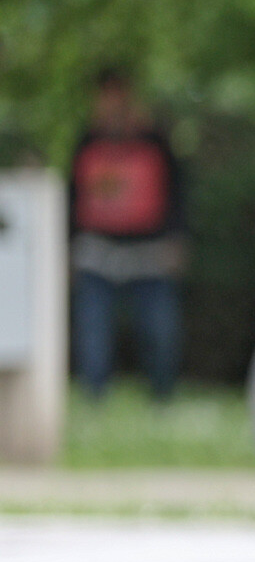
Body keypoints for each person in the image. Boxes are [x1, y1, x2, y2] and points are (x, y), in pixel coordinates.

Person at [67, 68, 187, 401]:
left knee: (159, 332)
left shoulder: (156, 141)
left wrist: (178, 239)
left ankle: (163, 398)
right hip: (97, 252)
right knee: (93, 334)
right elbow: (73, 198)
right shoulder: (86, 142)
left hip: (151, 252)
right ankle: (94, 399)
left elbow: (177, 193)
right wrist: (69, 247)